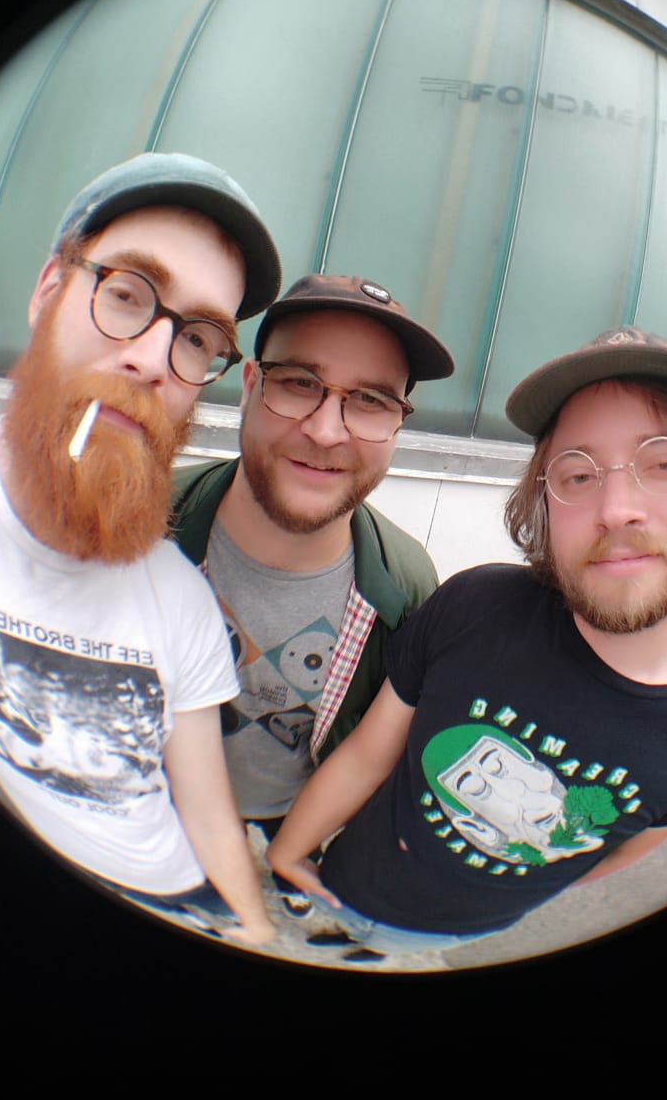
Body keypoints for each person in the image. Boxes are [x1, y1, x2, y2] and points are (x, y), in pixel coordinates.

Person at [266, 326, 667, 958]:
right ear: (544, 506)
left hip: (461, 936)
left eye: (664, 462)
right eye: (577, 474)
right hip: (344, 878)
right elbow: (368, 755)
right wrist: (288, 853)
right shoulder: (475, 608)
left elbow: (613, 852)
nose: (615, 508)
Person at [0, 151, 283, 947]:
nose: (150, 360)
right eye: (126, 294)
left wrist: (255, 930)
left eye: (198, 337)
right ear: (48, 292)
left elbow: (209, 816)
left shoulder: (180, 598)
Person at [170, 274, 454, 912]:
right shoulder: (143, 523)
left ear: (398, 424)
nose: (327, 431)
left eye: (371, 400)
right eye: (299, 383)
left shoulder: (406, 586)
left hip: (294, 820)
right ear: (249, 386)